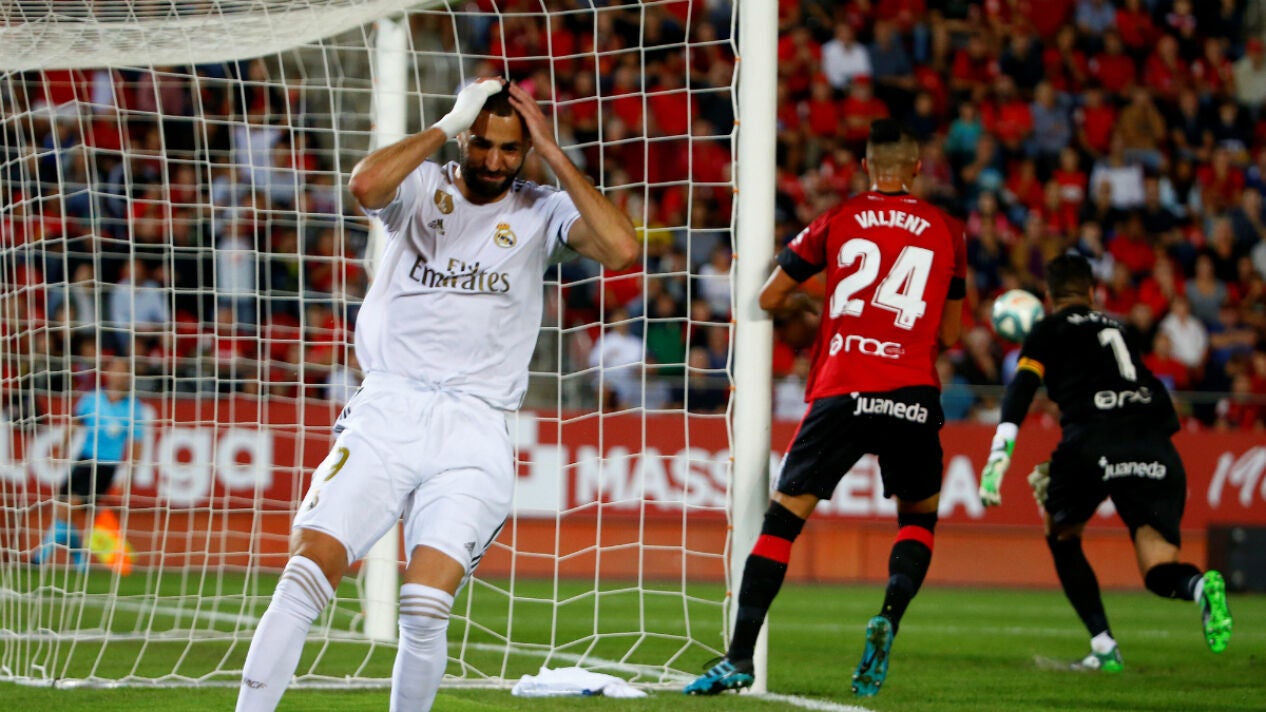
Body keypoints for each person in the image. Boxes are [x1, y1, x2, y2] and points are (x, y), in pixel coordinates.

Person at [234, 77, 637, 712]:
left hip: (474, 425)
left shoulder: (543, 209)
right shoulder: (423, 186)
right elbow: (365, 185)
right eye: (482, 143)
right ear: (464, 137)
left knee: (425, 606)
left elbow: (622, 247)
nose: (494, 161)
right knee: (307, 572)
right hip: (389, 407)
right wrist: (448, 122)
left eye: (510, 149)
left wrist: (552, 151)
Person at [684, 119, 966, 698]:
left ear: (866, 166)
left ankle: (739, 658)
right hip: (913, 391)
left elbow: (770, 295)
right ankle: (889, 613)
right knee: (918, 520)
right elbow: (951, 333)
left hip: (844, 387)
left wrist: (824, 300)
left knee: (782, 523)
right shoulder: (948, 231)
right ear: (917, 169)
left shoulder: (838, 219)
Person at [977, 253, 1232, 671]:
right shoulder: (1120, 328)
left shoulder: (1048, 328)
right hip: (1154, 443)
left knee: (1061, 532)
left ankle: (1104, 646)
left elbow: (1023, 386)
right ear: (1092, 292)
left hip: (1093, 440)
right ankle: (1200, 586)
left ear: (1049, 296)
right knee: (1158, 568)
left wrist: (1000, 452)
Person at [33, 359, 143, 574]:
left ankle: (40, 556)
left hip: (106, 466)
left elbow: (137, 442)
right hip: (83, 460)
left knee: (70, 507)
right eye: (115, 369)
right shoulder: (92, 399)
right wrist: (62, 448)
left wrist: (129, 474)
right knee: (63, 509)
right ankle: (79, 558)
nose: (119, 375)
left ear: (129, 376)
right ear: (107, 373)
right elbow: (75, 424)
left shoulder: (133, 407)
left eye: (123, 371)